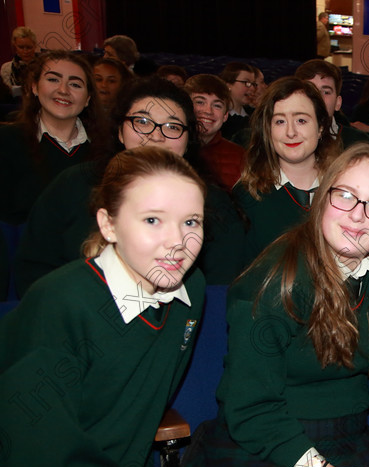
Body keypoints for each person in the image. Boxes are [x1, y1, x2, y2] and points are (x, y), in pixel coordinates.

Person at [181, 144, 369, 467]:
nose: (359, 216)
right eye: (345, 196)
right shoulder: (277, 282)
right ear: (320, 197)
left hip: (348, 436)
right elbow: (250, 408)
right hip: (268, 441)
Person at [0, 146, 206, 467]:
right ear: (108, 225)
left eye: (191, 222)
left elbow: (139, 408)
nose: (177, 242)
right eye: (152, 220)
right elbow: (40, 458)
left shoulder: (191, 292)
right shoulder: (60, 302)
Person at [15, 77, 246, 295]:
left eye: (173, 127)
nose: (156, 136)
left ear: (187, 142)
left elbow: (220, 287)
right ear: (120, 132)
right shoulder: (73, 185)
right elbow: (35, 270)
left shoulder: (213, 203)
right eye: (142, 122)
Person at [235, 76, 339, 263]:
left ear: (321, 127)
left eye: (301, 120)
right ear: (267, 130)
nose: (291, 132)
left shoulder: (345, 190)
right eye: (280, 122)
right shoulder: (246, 196)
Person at [0, 50, 106, 225]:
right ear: (34, 87)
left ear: (88, 98)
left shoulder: (107, 147)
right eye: (53, 80)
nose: (63, 90)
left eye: (75, 84)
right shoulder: (6, 142)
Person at [184, 73, 246, 191]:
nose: (208, 111)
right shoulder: (170, 147)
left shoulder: (240, 158)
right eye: (200, 102)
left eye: (217, 105)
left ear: (225, 116)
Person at [295, 59, 369, 150]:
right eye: (310, 90)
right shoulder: (284, 140)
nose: (318, 97)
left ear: (337, 103)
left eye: (326, 92)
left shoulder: (358, 143)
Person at [219, 62, 256, 140]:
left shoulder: (255, 115)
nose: (252, 88)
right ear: (228, 85)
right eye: (246, 83)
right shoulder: (220, 118)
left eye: (253, 84)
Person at [1, 26, 37, 94]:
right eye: (21, 47)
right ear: (15, 46)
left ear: (35, 46)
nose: (25, 51)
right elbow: (7, 94)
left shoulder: (43, 65)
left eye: (29, 47)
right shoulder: (7, 68)